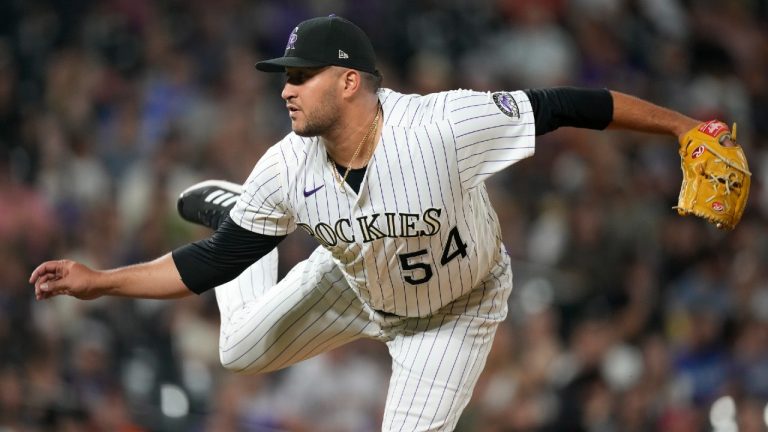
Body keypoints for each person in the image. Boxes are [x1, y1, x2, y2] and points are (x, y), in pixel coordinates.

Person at [30, 14, 734, 431]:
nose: (285, 88)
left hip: (453, 313)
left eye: (300, 75)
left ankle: (241, 219)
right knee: (236, 350)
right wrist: (100, 282)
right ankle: (240, 214)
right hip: (358, 282)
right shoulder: (287, 163)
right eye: (284, 75)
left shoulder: (442, 125)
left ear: (348, 81)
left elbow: (570, 104)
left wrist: (681, 128)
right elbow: (207, 267)